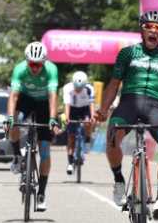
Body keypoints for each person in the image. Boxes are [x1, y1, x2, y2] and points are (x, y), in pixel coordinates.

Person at [95, 10, 158, 221]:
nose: (153, 31)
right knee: (112, 139)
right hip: (129, 102)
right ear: (142, 29)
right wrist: (103, 109)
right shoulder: (127, 54)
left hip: (155, 107)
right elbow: (114, 84)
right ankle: (119, 180)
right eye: (149, 26)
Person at [5, 42, 60, 212]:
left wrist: (52, 118)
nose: (35, 68)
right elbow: (13, 96)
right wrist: (9, 118)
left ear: (44, 62)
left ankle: (41, 193)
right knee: (13, 121)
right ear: (27, 61)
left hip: (44, 103)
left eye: (38, 64)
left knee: (44, 150)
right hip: (26, 100)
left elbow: (52, 96)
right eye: (32, 64)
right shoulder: (19, 69)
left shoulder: (51, 69)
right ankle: (16, 156)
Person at [62, 71, 95, 175]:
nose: (78, 90)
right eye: (76, 87)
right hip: (72, 109)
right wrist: (67, 118)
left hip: (85, 108)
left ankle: (88, 139)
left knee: (88, 122)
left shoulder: (89, 89)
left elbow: (91, 104)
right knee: (71, 137)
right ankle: (70, 163)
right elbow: (67, 105)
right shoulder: (67, 88)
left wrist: (92, 117)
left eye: (80, 88)